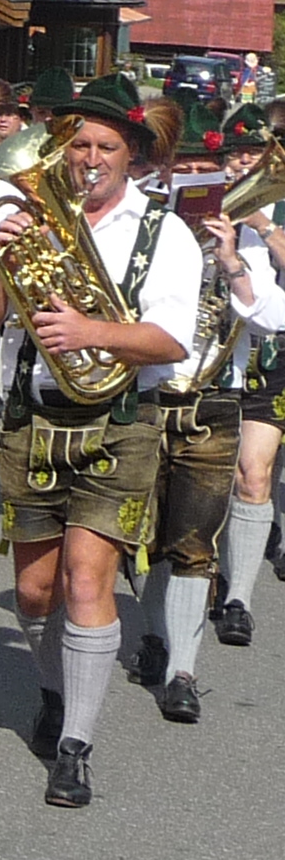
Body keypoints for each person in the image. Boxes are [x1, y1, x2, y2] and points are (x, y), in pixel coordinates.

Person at [0, 74, 197, 808]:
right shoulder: (28, 219)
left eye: (106, 148)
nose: (90, 159)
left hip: (119, 422)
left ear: (131, 157)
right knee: (35, 591)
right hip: (35, 419)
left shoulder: (163, 232)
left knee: (87, 581)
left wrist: (91, 330)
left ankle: (75, 746)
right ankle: (56, 692)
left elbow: (172, 340)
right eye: (78, 146)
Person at [130, 98, 282, 722]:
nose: (196, 182)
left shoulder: (241, 234)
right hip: (146, 395)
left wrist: (233, 261)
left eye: (206, 173)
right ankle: (152, 635)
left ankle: (182, 672)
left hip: (213, 400)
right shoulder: (144, 226)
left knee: (194, 542)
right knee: (142, 535)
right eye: (187, 171)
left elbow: (273, 317)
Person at [218, 103, 285, 643]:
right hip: (210, 356)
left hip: (270, 354)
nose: (243, 163)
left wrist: (263, 224)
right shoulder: (204, 203)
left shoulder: (277, 207)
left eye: (253, 154)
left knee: (254, 474)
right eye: (236, 154)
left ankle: (238, 597)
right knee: (210, 477)